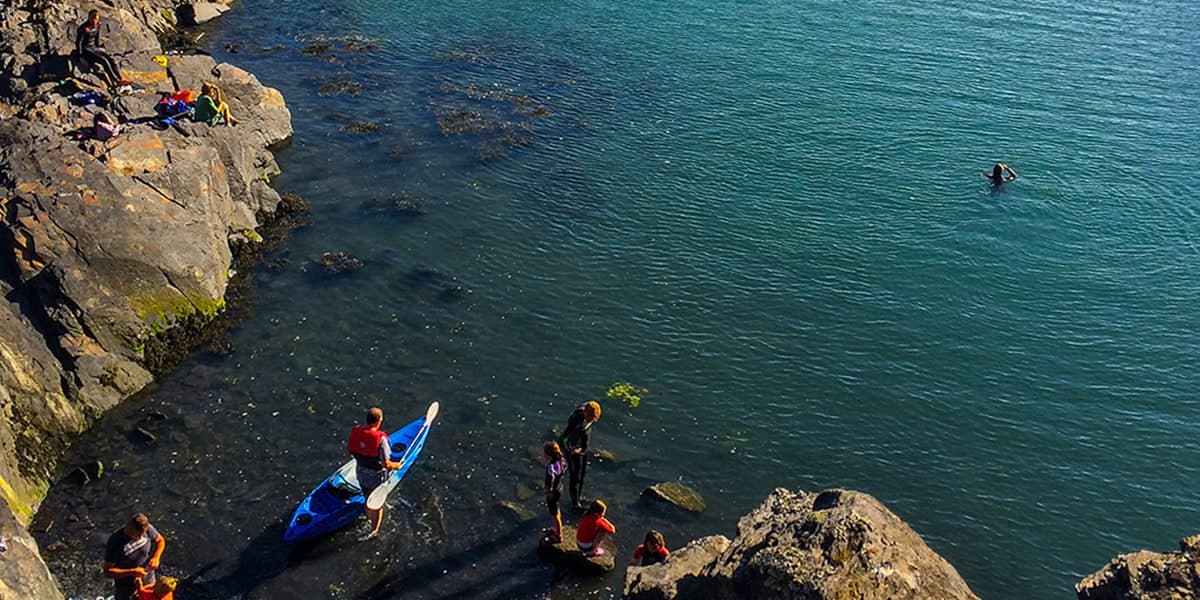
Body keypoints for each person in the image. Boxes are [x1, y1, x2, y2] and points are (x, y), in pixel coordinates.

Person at [348, 406, 401, 539]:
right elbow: (386, 463)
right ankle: (374, 531)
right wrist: (397, 466)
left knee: (367, 497)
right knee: (377, 504)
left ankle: (368, 518)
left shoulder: (356, 431)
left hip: (360, 472)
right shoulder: (381, 439)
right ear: (379, 421)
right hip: (375, 476)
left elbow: (351, 451)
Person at [103, 513, 166, 600]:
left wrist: (156, 557)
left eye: (142, 534)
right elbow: (107, 572)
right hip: (127, 588)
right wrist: (132, 572)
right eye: (138, 535)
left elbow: (160, 540)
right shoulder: (115, 542)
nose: (140, 537)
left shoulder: (146, 528)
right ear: (129, 528)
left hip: (148, 580)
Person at [557, 400, 601, 510]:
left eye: (593, 419)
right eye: (589, 418)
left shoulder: (590, 413)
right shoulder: (576, 420)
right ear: (585, 413)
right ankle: (575, 503)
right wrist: (570, 451)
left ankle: (579, 497)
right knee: (575, 477)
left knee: (582, 474)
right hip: (574, 449)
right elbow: (562, 439)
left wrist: (582, 449)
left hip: (583, 446)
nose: (591, 421)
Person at [75, 9, 125, 86]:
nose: (94, 21)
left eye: (96, 19)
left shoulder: (98, 25)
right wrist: (80, 56)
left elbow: (96, 39)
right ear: (89, 18)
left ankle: (120, 78)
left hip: (94, 48)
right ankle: (116, 80)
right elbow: (78, 42)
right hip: (86, 50)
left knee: (112, 59)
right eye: (93, 18)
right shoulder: (84, 28)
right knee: (103, 60)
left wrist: (100, 48)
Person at [543, 441, 567, 543]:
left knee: (554, 513)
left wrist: (549, 492)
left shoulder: (551, 467)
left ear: (548, 455)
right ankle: (556, 528)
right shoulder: (562, 460)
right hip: (560, 487)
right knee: (556, 510)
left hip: (554, 491)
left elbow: (550, 480)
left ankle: (558, 535)